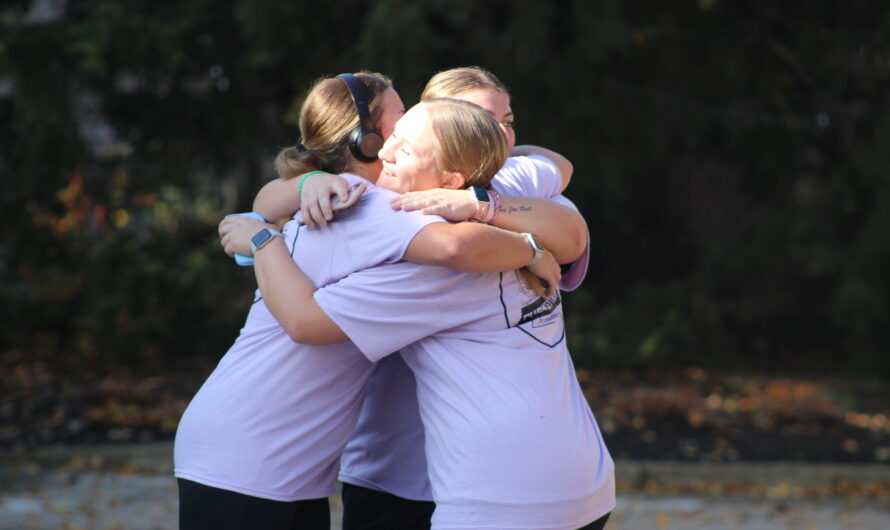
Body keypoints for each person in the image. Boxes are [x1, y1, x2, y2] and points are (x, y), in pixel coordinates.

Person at [174, 73, 562, 530]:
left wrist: (281, 208)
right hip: (249, 454)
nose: (413, 120)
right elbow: (455, 246)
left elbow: (262, 206)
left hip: (272, 457)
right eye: (402, 116)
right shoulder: (367, 202)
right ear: (369, 140)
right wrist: (531, 250)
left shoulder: (333, 192)